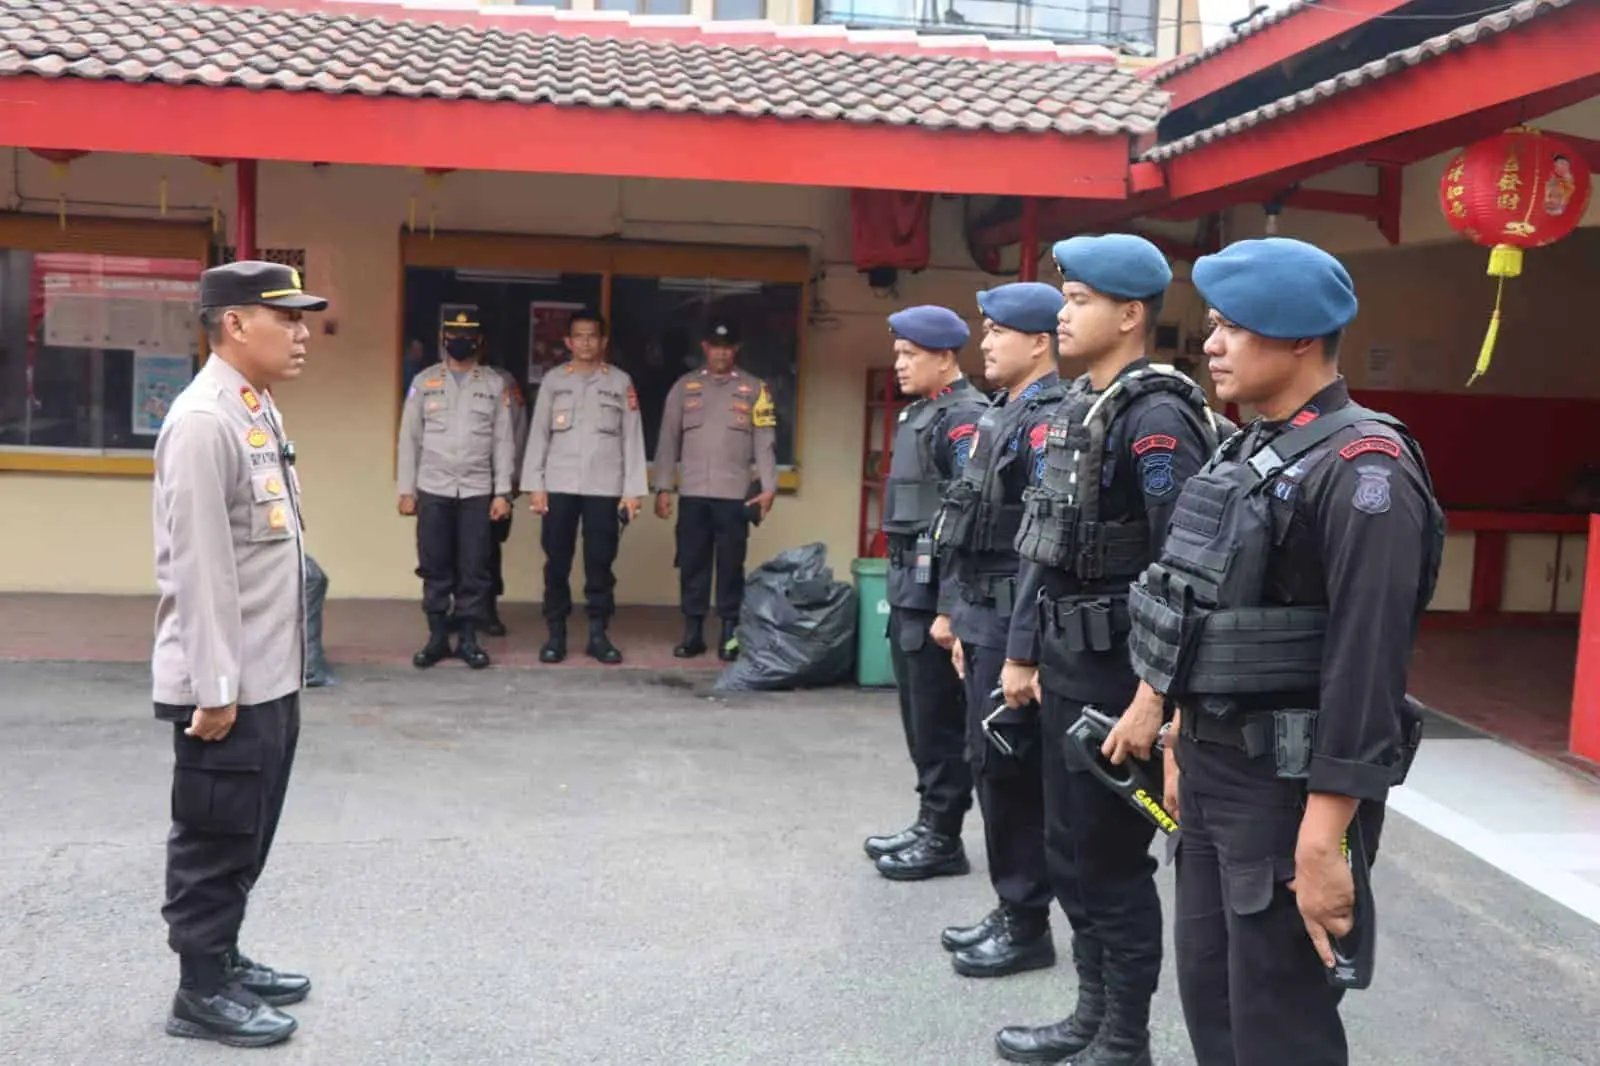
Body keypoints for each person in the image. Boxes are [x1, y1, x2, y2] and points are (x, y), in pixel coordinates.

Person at [1124, 238, 1444, 1066]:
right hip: (1211, 771)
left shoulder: (1364, 469)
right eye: (1214, 325)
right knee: (1214, 1008)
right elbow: (1204, 607)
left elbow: (1366, 663)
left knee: (1279, 1028)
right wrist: (1177, 737)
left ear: (1301, 338)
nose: (1213, 344)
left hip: (1288, 793)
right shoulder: (1247, 448)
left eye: (1234, 326)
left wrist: (1327, 835)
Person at [996, 235, 1226, 1066]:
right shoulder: (1079, 407)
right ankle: (1090, 1016)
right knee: (1071, 855)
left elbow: (1188, 572)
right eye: (1064, 295)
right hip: (1067, 668)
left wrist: (1153, 700)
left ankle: (1125, 1039)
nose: (1062, 310)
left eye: (1081, 298)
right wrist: (1021, 653)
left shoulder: (1159, 419)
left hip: (1120, 680)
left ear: (1130, 314)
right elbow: (1043, 549)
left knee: (1112, 864)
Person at [150, 260, 329, 1047]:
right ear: (232, 323)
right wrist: (216, 687)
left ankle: (221, 958)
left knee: (249, 827)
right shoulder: (202, 421)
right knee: (214, 833)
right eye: (285, 318)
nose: (301, 333)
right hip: (228, 681)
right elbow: (200, 567)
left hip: (269, 669)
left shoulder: (255, 407)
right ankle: (198, 992)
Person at [932, 282, 1068, 978]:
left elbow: (1041, 545)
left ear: (1038, 341)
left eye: (997, 331)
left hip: (1015, 621)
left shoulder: (1048, 421)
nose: (983, 343)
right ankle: (1010, 905)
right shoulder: (1002, 413)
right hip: (984, 616)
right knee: (990, 770)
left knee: (1012, 777)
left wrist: (1021, 649)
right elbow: (968, 527)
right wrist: (957, 617)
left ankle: (1026, 921)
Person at [863, 305, 986, 881]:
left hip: (934, 590)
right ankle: (928, 821)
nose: (900, 364)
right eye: (898, 353)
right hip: (909, 583)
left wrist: (948, 608)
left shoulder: (964, 420)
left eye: (910, 355)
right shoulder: (925, 413)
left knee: (939, 720)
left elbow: (970, 518)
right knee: (918, 716)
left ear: (944, 357)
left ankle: (943, 836)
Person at [521, 309, 648, 664]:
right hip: (559, 484)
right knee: (557, 561)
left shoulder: (620, 382)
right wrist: (535, 484)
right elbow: (539, 434)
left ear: (603, 341)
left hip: (604, 487)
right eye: (579, 336)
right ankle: (556, 634)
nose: (586, 342)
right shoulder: (553, 381)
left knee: (600, 563)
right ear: (568, 342)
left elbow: (632, 438)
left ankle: (598, 634)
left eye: (593, 336)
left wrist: (632, 490)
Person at [651, 319, 778, 661]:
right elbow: (667, 440)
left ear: (736, 349)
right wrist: (662, 487)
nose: (721, 352)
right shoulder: (684, 387)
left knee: (731, 564)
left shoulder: (755, 389)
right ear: (705, 348)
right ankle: (692, 631)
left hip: (735, 494)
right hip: (693, 492)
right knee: (693, 563)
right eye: (714, 346)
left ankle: (728, 633)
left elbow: (765, 441)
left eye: (727, 346)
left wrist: (769, 487)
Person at [396, 311, 516, 670]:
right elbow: (409, 439)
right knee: (434, 565)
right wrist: (407, 489)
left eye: (467, 335)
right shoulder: (424, 381)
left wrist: (502, 492)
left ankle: (467, 638)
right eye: (452, 334)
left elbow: (503, 441)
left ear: (479, 341)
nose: (459, 341)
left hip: (478, 490)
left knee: (474, 568)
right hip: (433, 487)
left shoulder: (495, 384)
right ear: (443, 338)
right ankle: (436, 637)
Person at [484, 360, 529, 636]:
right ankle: (458, 608)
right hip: (451, 480)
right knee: (452, 548)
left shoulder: (503, 381)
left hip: (493, 480)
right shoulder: (435, 379)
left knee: (488, 548)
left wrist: (516, 474)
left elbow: (518, 429)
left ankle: (487, 608)